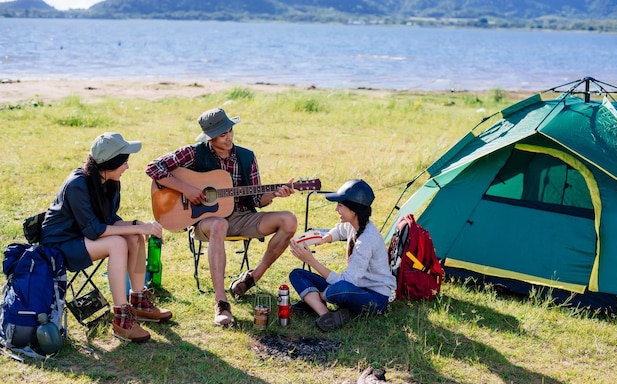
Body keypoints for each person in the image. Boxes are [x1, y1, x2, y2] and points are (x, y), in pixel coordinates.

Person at [145, 107, 298, 327]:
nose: (228, 138)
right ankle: (221, 303)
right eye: (222, 134)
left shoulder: (246, 157)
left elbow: (255, 199)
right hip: (206, 221)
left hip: (241, 217)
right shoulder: (194, 152)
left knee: (289, 220)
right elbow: (153, 167)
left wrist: (274, 193)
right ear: (210, 137)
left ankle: (252, 277)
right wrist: (187, 189)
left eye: (230, 131)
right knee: (218, 224)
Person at [41, 132, 173, 343]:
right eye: (124, 162)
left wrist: (139, 227)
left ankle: (138, 302)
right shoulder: (77, 185)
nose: (127, 167)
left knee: (134, 237)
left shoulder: (109, 181)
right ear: (111, 163)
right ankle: (121, 318)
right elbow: (95, 230)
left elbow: (110, 221)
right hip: (60, 246)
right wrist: (138, 227)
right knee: (118, 243)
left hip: (85, 237)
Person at [288, 179, 396, 331]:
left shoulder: (367, 240)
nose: (336, 209)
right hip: (352, 288)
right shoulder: (354, 224)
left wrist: (311, 261)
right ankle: (326, 315)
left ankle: (314, 299)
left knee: (337, 290)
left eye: (340, 205)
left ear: (354, 210)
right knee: (297, 274)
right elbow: (340, 230)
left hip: (374, 298)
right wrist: (326, 238)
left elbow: (347, 282)